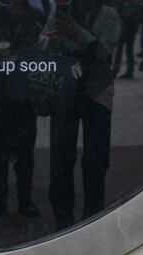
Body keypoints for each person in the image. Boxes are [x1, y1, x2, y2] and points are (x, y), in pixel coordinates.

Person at [42, 0, 120, 230]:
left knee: (95, 161)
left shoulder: (108, 14)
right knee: (60, 160)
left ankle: (92, 218)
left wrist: (76, 33)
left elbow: (104, 50)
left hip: (97, 90)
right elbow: (44, 43)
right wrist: (57, 39)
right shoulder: (61, 13)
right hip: (66, 91)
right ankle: (62, 221)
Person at [0, 0, 46, 218]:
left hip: (25, 93)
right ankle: (0, 199)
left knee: (25, 151)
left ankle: (24, 199)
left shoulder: (37, 16)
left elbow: (44, 50)